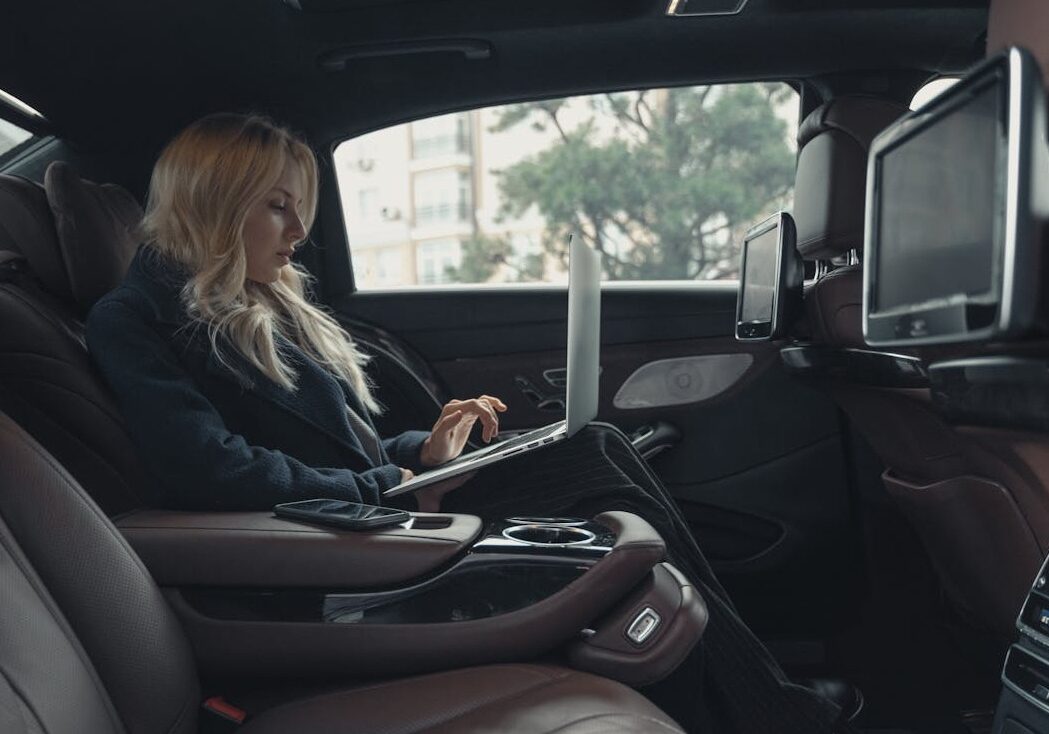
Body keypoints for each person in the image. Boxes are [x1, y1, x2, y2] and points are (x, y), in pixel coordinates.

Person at [87, 113, 848, 734]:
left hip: (378, 505)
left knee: (594, 451)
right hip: (330, 546)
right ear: (213, 202)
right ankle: (768, 707)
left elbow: (335, 441)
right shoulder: (137, 320)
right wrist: (389, 482)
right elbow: (209, 469)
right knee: (590, 451)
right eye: (276, 204)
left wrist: (426, 448)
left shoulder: (268, 304)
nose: (297, 229)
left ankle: (755, 702)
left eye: (300, 205)